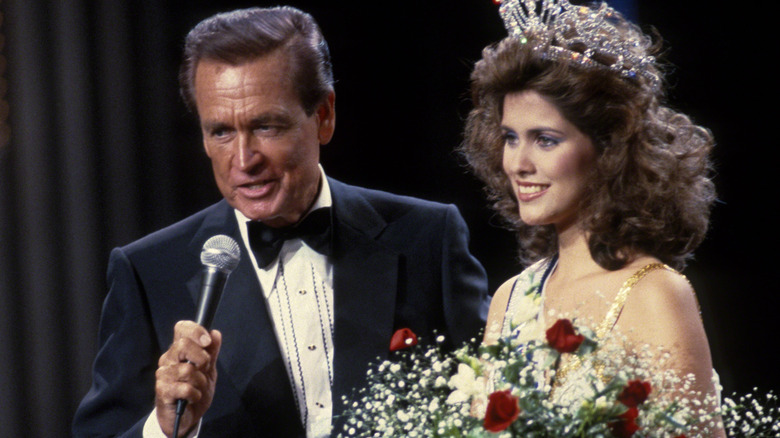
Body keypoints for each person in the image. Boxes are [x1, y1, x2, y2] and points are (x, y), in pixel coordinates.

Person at [72, 6, 488, 438]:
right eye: (221, 132)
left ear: (324, 116)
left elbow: (497, 404)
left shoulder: (427, 238)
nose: (244, 160)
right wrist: (163, 428)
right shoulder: (149, 272)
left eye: (266, 126)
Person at [461, 0, 724, 435]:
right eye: (510, 138)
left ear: (609, 150)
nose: (518, 163)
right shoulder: (511, 298)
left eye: (545, 140)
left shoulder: (655, 293)